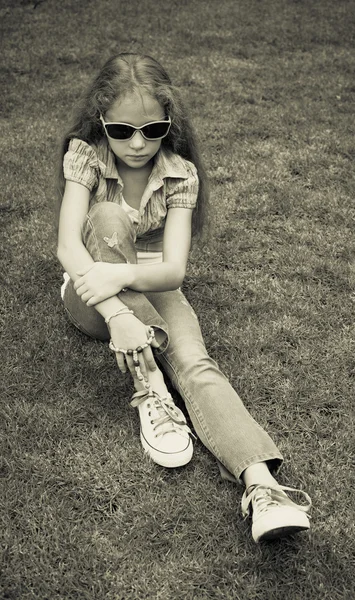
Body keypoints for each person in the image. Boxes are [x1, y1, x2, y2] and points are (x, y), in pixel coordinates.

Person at [56, 52, 311, 542]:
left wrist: (124, 279)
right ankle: (150, 383)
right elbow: (69, 246)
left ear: (168, 123)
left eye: (151, 130)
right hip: (89, 292)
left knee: (196, 361)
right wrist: (115, 308)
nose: (136, 143)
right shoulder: (85, 154)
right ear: (100, 120)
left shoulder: (180, 173)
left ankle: (263, 487)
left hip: (153, 285)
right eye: (122, 129)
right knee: (107, 217)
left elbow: (173, 269)